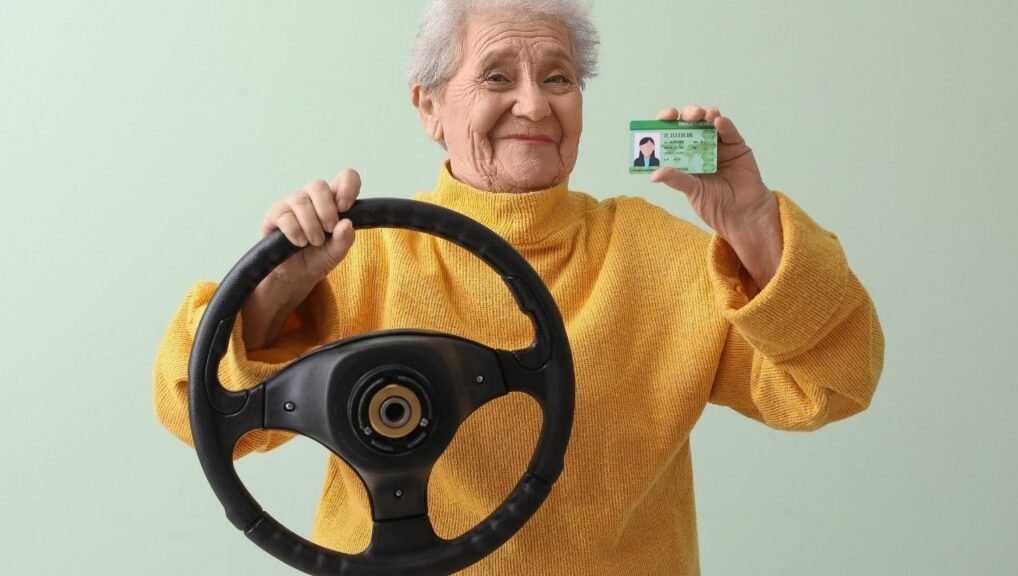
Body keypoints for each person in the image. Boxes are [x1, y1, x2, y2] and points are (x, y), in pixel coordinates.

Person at [153, 0, 885, 573]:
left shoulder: (660, 254)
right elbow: (187, 408)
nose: (535, 106)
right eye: (497, 77)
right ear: (429, 107)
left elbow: (833, 384)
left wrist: (753, 223)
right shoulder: (357, 252)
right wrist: (273, 289)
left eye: (558, 78)